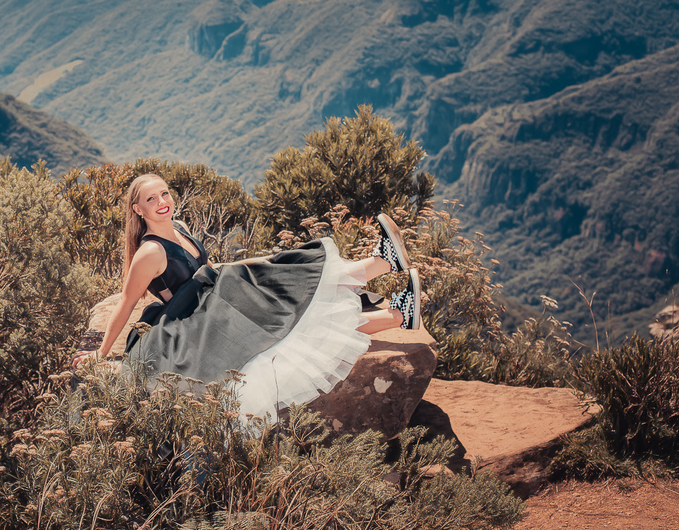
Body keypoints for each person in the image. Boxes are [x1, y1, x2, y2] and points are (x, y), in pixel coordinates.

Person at [71, 173, 422, 420]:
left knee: (284, 297)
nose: (162, 202)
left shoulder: (179, 230)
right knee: (283, 323)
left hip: (213, 305)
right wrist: (101, 355)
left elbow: (208, 268)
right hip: (191, 329)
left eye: (165, 193)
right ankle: (384, 271)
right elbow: (126, 303)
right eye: (151, 199)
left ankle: (396, 309)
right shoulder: (149, 252)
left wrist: (251, 263)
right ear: (138, 210)